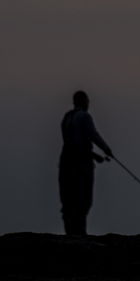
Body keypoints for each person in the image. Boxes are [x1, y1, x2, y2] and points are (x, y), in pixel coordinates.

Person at [58, 90, 113, 236]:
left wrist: (95, 156)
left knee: (69, 197)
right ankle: (79, 230)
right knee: (83, 196)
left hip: (66, 161)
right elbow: (93, 135)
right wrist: (106, 149)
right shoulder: (84, 116)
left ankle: (70, 230)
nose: (89, 104)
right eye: (87, 101)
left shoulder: (67, 118)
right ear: (82, 101)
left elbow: (71, 144)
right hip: (81, 164)